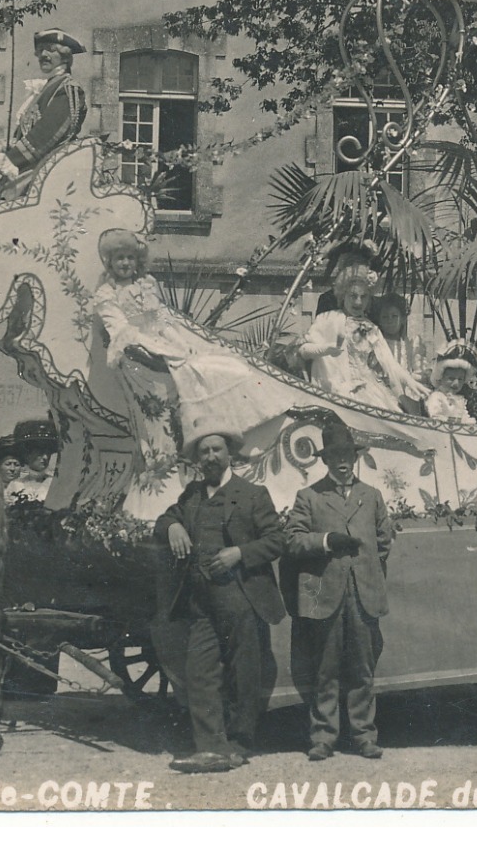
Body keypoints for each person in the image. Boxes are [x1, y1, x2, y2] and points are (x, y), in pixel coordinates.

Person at [91, 228, 291, 492]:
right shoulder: (107, 293)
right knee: (191, 371)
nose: (125, 264)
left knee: (222, 365)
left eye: (130, 258)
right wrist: (152, 347)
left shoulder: (145, 285)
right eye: (120, 258)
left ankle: (238, 428)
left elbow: (163, 319)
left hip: (164, 341)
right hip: (142, 348)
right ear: (110, 262)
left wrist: (182, 343)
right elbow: (119, 329)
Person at [155, 414, 286, 773]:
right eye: (204, 452)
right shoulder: (192, 494)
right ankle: (211, 747)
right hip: (201, 602)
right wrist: (174, 527)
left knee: (244, 674)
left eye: (216, 450)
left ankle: (239, 744)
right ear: (197, 461)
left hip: (241, 599)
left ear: (230, 454)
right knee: (199, 672)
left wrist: (239, 553)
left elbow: (276, 540)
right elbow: (164, 518)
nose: (210, 457)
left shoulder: (252, 495)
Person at [284, 415, 394, 761]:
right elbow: (293, 541)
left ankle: (364, 735)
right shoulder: (309, 496)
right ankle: (323, 738)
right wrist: (328, 541)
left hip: (363, 594)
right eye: (336, 456)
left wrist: (367, 572)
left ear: (355, 457)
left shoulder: (372, 496)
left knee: (363, 668)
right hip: (325, 594)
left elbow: (384, 540)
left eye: (348, 455)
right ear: (326, 459)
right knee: (325, 669)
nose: (343, 462)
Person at [301, 265, 429, 413]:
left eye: (363, 297)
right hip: (335, 388)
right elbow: (303, 351)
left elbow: (389, 362)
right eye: (353, 296)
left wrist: (409, 380)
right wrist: (327, 349)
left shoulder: (370, 328)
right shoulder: (327, 318)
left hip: (369, 390)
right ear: (343, 295)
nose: (358, 302)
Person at [0, 29, 89, 183]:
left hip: (47, 172)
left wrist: (12, 159)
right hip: (31, 167)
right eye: (40, 50)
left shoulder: (67, 88)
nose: (43, 55)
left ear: (65, 56)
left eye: (51, 50)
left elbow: (47, 132)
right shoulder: (48, 87)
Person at [0, 419, 59, 500]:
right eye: (39, 453)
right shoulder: (15, 485)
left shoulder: (56, 485)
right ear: (28, 454)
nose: (45, 457)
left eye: (48, 453)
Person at [424, 346, 476, 424]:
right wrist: (456, 421)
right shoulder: (437, 396)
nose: (456, 383)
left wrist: (467, 421)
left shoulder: (459, 400)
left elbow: (464, 417)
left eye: (460, 379)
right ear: (440, 378)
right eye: (451, 378)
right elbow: (435, 416)